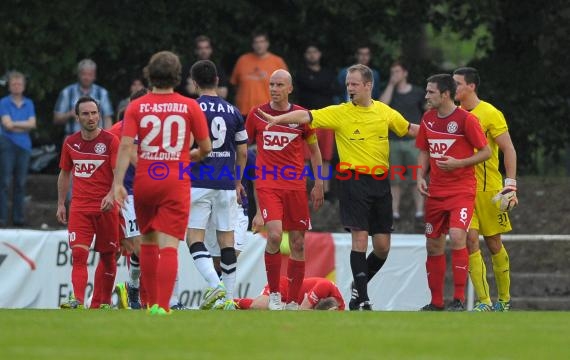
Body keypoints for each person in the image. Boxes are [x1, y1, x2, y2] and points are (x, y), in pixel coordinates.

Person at [258, 64, 418, 311]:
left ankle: (358, 285)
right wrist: (279, 119)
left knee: (383, 247)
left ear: (368, 86)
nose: (350, 88)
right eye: (347, 84)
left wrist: (441, 133)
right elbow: (306, 116)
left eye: (354, 84)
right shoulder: (340, 112)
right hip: (354, 182)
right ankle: (362, 299)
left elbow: (409, 129)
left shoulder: (385, 112)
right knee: (360, 239)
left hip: (381, 183)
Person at [114, 51, 211, 315]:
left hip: (145, 179)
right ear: (178, 76)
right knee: (169, 245)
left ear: (150, 74)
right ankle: (161, 306)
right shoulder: (190, 106)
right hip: (175, 178)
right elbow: (206, 148)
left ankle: (148, 302)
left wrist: (117, 183)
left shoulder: (136, 106)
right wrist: (187, 157)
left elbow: (125, 146)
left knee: (147, 241)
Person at [246, 69, 324, 310]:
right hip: (268, 185)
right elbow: (243, 147)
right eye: (271, 84)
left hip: (295, 187)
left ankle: (292, 300)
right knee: (275, 236)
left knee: (299, 243)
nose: (274, 89)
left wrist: (319, 183)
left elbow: (314, 151)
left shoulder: (301, 117)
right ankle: (276, 295)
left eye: (280, 85)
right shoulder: (257, 114)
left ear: (289, 88)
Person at [415, 74, 491, 311]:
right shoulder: (427, 119)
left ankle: (458, 300)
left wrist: (459, 163)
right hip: (436, 192)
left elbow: (486, 152)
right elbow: (424, 151)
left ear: (445, 94)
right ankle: (436, 302)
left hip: (461, 190)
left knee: (458, 237)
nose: (426, 96)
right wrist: (419, 176)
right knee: (433, 246)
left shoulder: (465, 120)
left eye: (430, 92)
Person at [453, 67, 518, 312]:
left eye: (458, 83)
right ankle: (484, 301)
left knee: (493, 243)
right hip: (463, 190)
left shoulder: (490, 113)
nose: (454, 88)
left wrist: (510, 185)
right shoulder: (453, 115)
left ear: (471, 86)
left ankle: (504, 299)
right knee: (470, 240)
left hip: (489, 189)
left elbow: (509, 149)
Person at [185, 59, 248, 310]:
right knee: (227, 241)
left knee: (194, 238)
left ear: (194, 82)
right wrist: (238, 180)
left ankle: (216, 286)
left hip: (199, 180)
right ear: (217, 81)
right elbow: (242, 152)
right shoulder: (233, 111)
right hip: (225, 184)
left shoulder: (191, 108)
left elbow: (187, 146)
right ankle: (229, 299)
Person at [56, 96, 120, 309]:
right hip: (80, 207)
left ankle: (101, 303)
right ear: (77, 117)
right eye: (85, 113)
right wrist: (60, 204)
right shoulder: (70, 143)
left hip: (106, 208)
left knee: (109, 256)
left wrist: (111, 195)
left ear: (99, 114)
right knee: (79, 254)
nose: (91, 117)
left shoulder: (111, 141)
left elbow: (118, 173)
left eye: (94, 113)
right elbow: (64, 174)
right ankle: (78, 300)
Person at [109, 88, 149, 310]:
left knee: (152, 247)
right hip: (128, 194)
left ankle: (137, 292)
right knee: (136, 247)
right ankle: (118, 294)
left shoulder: (154, 128)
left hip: (151, 193)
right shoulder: (116, 131)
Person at [379, 61, 426, 222]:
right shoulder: (390, 92)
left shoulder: (418, 92)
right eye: (392, 72)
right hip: (393, 141)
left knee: (416, 176)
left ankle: (420, 212)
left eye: (397, 71)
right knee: (394, 178)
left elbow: (427, 111)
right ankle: (394, 212)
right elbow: (381, 106)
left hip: (414, 141)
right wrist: (391, 85)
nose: (395, 75)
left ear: (405, 73)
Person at [296, 44, 338, 199]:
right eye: (309, 52)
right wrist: (318, 87)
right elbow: (314, 87)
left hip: (326, 119)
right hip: (307, 118)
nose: (312, 55)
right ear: (305, 55)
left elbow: (329, 89)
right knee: (305, 156)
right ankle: (305, 187)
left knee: (326, 156)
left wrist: (315, 86)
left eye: (315, 52)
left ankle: (325, 190)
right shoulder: (301, 74)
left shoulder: (328, 73)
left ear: (320, 54)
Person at [0, 71, 36, 227]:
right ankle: (2, 218)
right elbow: (6, 125)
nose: (16, 86)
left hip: (24, 146)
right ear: (9, 86)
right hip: (7, 144)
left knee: (21, 183)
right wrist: (23, 125)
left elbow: (32, 125)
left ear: (24, 86)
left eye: (19, 84)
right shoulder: (3, 102)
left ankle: (18, 219)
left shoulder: (29, 103)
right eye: (14, 84)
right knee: (5, 182)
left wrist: (14, 124)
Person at [230, 32, 288, 117]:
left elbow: (285, 88)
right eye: (256, 42)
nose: (259, 45)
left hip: (269, 113)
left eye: (262, 42)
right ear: (252, 45)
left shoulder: (278, 62)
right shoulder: (242, 60)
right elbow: (234, 85)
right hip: (243, 112)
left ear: (267, 43)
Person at [53, 59, 114, 137]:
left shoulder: (102, 93)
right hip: (72, 139)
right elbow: (56, 119)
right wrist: (70, 114)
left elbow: (107, 118)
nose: (87, 77)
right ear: (79, 74)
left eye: (90, 74)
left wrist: (107, 138)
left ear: (94, 76)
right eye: (84, 74)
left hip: (97, 139)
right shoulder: (67, 92)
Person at [234, 276, 345, 310]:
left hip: (295, 302)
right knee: (258, 306)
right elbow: (301, 311)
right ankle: (230, 302)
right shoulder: (325, 286)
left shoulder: (341, 307)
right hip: (285, 286)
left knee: (269, 310)